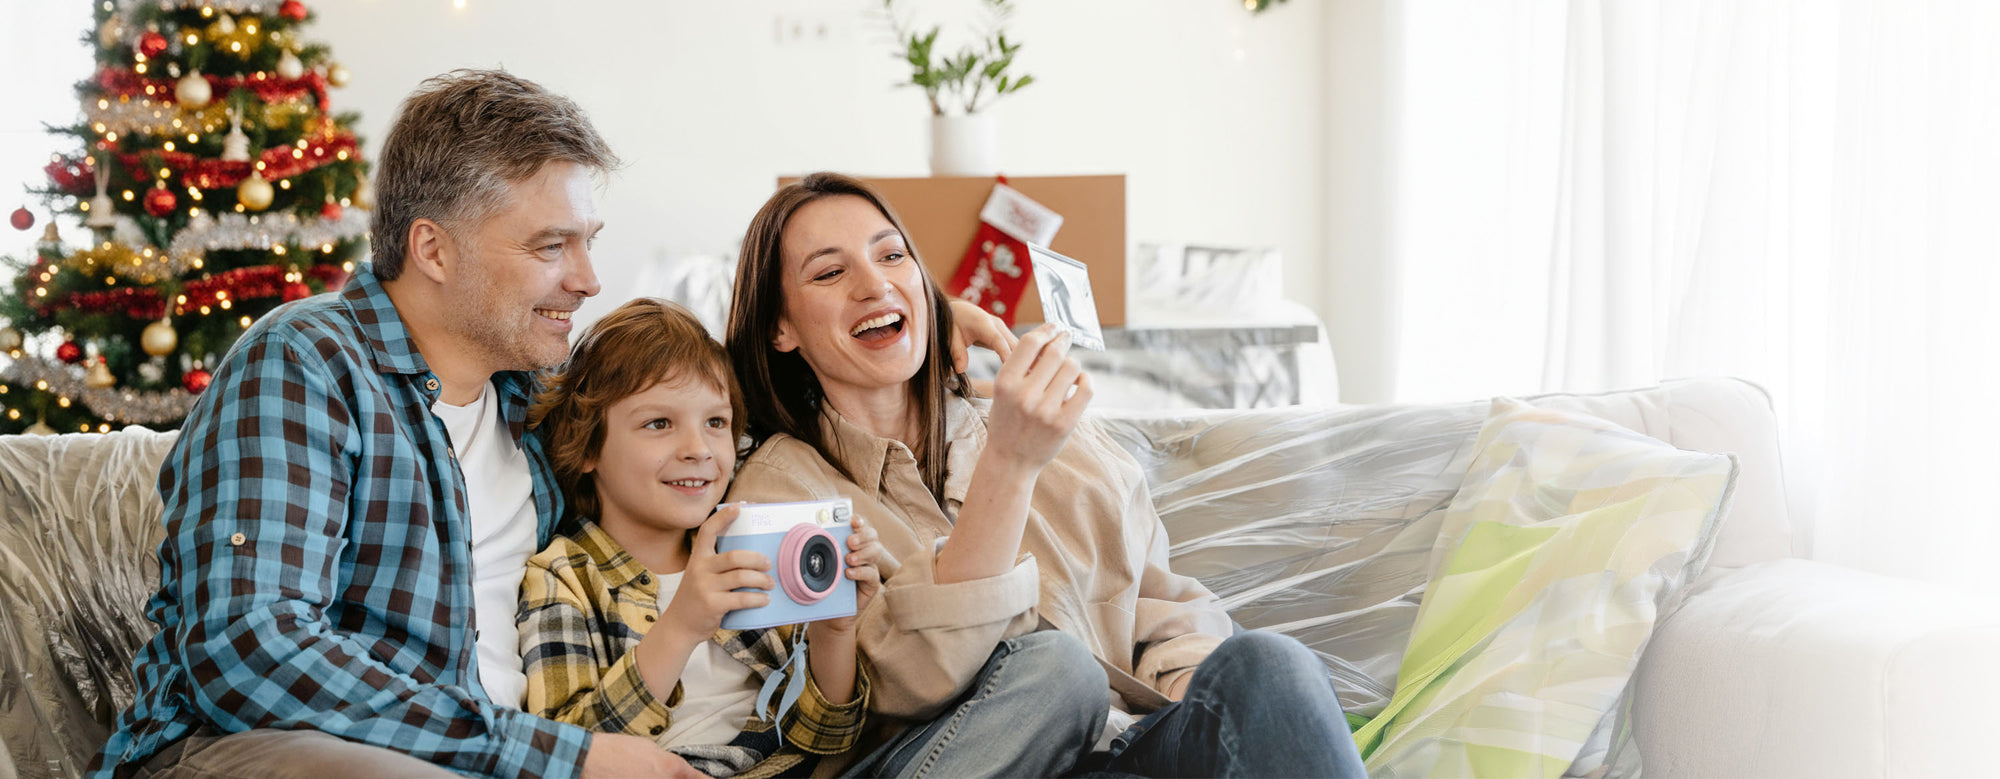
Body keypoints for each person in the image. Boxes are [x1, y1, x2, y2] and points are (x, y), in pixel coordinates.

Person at [88, 67, 1021, 778]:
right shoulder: (308, 362)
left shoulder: (534, 395)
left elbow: (694, 392)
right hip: (267, 752)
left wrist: (921, 326)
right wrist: (562, 756)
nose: (586, 278)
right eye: (551, 245)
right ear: (433, 249)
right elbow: (247, 651)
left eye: (588, 242)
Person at [723, 172, 1369, 778]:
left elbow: (1158, 601)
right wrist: (1009, 465)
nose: (875, 284)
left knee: (1270, 664)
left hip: (1119, 747)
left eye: (893, 256)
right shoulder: (773, 493)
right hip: (962, 758)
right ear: (780, 327)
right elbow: (894, 686)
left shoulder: (1048, 427)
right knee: (1060, 670)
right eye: (830, 272)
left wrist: (1191, 693)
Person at [517, 297, 886, 778]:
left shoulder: (748, 548)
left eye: (715, 422)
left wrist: (833, 629)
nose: (698, 449)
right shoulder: (562, 577)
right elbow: (569, 756)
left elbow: (826, 737)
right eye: (659, 423)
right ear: (587, 446)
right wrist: (682, 625)